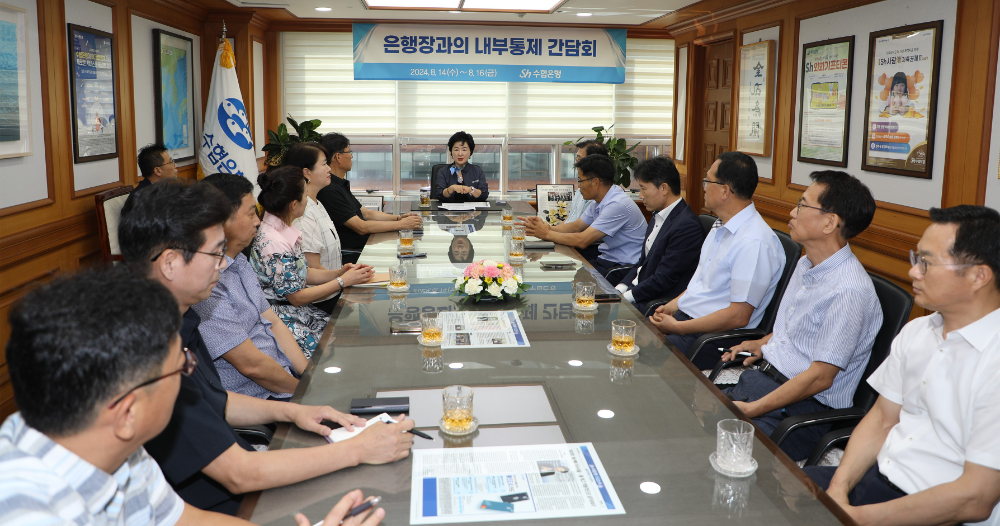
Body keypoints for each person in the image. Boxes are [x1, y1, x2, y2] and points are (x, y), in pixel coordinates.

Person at [118, 180, 415, 515]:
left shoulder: (180, 321)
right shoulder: (144, 351)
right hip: (235, 500)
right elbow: (236, 474)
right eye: (216, 252)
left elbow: (217, 400)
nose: (223, 263)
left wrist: (296, 409)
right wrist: (358, 450)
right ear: (170, 262)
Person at [0, 269, 387, 526]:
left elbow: (191, 521)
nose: (190, 375)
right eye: (181, 367)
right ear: (128, 411)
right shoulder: (28, 508)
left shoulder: (115, 446)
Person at [804, 205, 1000, 526]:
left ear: (979, 275)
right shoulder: (918, 332)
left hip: (937, 513)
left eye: (926, 262)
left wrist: (858, 517)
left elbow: (976, 498)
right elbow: (882, 419)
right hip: (878, 479)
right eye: (915, 259)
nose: (913, 271)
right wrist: (839, 489)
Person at [718, 171, 882, 461]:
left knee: (720, 452)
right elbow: (800, 328)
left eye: (802, 205)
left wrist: (755, 409)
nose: (792, 211)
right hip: (764, 383)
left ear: (830, 222)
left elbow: (819, 378)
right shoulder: (808, 262)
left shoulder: (849, 290)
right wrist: (764, 342)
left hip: (800, 412)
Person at [649, 152, 784, 368]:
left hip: (711, 339)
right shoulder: (720, 225)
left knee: (641, 364)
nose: (703, 186)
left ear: (724, 191)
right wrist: (672, 306)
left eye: (707, 180)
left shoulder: (753, 241)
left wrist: (678, 328)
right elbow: (702, 283)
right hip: (688, 323)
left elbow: (738, 317)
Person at [194, 173, 308, 400]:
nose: (258, 220)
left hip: (283, 379)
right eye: (250, 213)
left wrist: (309, 377)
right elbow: (252, 366)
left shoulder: (239, 260)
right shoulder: (205, 285)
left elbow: (273, 322)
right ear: (221, 220)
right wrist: (307, 393)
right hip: (257, 397)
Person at [253, 166, 374, 357]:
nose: (307, 199)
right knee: (331, 345)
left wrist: (339, 273)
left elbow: (302, 272)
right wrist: (342, 282)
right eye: (305, 194)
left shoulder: (281, 229)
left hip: (294, 309)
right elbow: (296, 296)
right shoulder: (274, 242)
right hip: (281, 316)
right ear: (294, 205)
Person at [520, 154, 646, 281]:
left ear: (596, 182)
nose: (579, 186)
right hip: (607, 259)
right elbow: (576, 226)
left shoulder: (617, 204)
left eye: (580, 180)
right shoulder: (598, 201)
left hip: (623, 268)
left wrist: (546, 234)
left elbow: (582, 240)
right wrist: (547, 228)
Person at [285, 142, 375, 313]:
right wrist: (344, 285)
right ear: (306, 172)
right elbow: (312, 271)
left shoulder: (317, 202)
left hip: (333, 293)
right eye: (324, 164)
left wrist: (343, 274)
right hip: (319, 304)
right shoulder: (303, 213)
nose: (329, 169)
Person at [615, 156, 704, 314]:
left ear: (664, 188)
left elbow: (664, 280)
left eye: (643, 189)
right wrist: (619, 288)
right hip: (638, 292)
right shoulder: (658, 215)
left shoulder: (687, 226)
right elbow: (642, 264)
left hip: (656, 304)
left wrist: (625, 298)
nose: (641, 196)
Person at [316, 133, 422, 262]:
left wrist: (399, 218)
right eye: (349, 152)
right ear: (338, 157)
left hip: (365, 243)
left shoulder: (340, 184)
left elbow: (366, 213)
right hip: (352, 253)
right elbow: (361, 227)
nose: (352, 156)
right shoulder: (329, 190)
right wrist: (401, 224)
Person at [436, 131, 489, 202]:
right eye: (456, 149)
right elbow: (439, 195)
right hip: (449, 212)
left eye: (464, 149)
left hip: (473, 212)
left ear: (470, 152)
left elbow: (484, 195)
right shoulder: (443, 172)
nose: (460, 154)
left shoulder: (478, 171)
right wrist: (451, 189)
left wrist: (471, 189)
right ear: (451, 152)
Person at [123, 143, 177, 211]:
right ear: (158, 171)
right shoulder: (141, 200)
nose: (175, 165)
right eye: (171, 162)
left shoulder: (165, 188)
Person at [566, 140, 609, 223]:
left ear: (592, 161)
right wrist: (548, 229)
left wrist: (547, 233)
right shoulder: (581, 188)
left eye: (579, 158)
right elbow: (571, 219)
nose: (576, 163)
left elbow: (580, 231)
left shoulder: (599, 195)